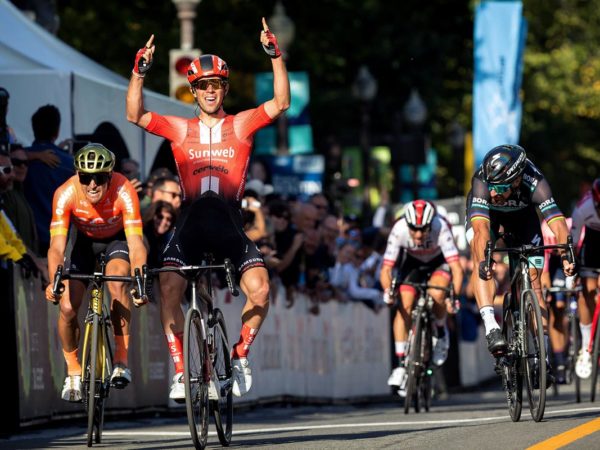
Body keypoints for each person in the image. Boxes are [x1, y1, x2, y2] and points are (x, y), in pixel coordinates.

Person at [126, 19, 290, 400]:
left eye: (216, 84)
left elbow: (281, 102)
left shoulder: (241, 125)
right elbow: (135, 114)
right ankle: (181, 372)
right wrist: (139, 72)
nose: (210, 91)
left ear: (225, 89)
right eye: (203, 86)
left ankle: (239, 355)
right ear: (194, 92)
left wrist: (275, 55)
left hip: (230, 226)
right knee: (169, 288)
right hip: (190, 227)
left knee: (261, 291)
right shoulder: (181, 129)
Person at [45, 143, 148, 402]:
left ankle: (121, 361)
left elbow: (136, 244)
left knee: (118, 283)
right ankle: (73, 371)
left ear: (110, 176)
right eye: (85, 177)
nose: (92, 184)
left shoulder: (124, 190)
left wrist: (139, 280)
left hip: (116, 241)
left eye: (100, 177)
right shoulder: (65, 193)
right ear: (77, 175)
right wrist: (54, 281)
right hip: (82, 244)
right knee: (67, 306)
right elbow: (56, 247)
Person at [466, 144, 575, 383]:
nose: (493, 192)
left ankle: (542, 357)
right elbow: (481, 228)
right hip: (489, 221)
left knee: (535, 284)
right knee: (480, 255)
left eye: (500, 187)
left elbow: (556, 221)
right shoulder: (482, 181)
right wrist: (485, 258)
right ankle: (492, 327)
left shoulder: (535, 181)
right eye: (491, 186)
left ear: (516, 181)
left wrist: (566, 254)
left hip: (524, 222)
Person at [380, 200, 463, 395]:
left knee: (437, 293)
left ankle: (440, 332)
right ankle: (401, 364)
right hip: (412, 264)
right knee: (405, 304)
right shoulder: (399, 229)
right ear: (407, 224)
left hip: (438, 262)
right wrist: (388, 291)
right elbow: (386, 269)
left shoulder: (441, 227)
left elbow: (457, 269)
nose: (418, 235)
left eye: (423, 230)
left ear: (430, 225)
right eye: (414, 229)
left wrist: (454, 297)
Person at [24, 104, 75, 255]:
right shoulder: (69, 163)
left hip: (28, 241)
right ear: (57, 131)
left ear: (33, 129)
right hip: (62, 239)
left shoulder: (18, 160)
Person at [570, 178, 600, 379]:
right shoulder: (584, 208)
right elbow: (572, 242)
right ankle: (586, 346)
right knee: (586, 292)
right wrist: (572, 269)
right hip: (592, 245)